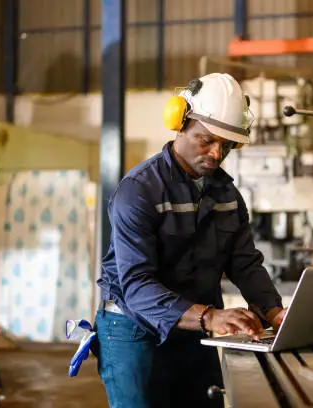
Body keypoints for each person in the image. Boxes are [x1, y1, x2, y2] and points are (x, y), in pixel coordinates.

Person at [93, 72, 287, 408]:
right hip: (134, 329)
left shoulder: (227, 195)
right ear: (180, 122)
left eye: (226, 146)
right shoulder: (139, 190)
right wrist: (209, 317)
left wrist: (274, 312)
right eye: (206, 140)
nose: (216, 153)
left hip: (195, 325)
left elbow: (244, 264)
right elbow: (137, 286)